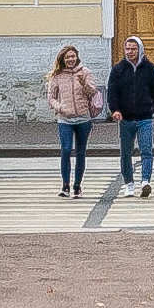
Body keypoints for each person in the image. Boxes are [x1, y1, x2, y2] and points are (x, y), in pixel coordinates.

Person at [107, 36, 154, 193]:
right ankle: (129, 184)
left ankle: (145, 181)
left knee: (146, 151)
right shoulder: (118, 69)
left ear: (140, 49)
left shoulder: (150, 68)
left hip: (145, 118)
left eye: (133, 49)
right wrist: (115, 110)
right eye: (127, 49)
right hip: (125, 119)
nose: (130, 52)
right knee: (125, 153)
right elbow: (112, 92)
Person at [46, 45, 100, 198]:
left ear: (77, 57)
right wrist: (60, 107)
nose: (70, 59)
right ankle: (65, 185)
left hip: (83, 118)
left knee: (81, 152)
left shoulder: (85, 72)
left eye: (73, 56)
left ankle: (77, 185)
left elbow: (93, 93)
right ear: (62, 59)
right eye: (67, 57)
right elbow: (51, 97)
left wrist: (84, 83)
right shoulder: (57, 75)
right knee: (66, 150)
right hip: (65, 119)